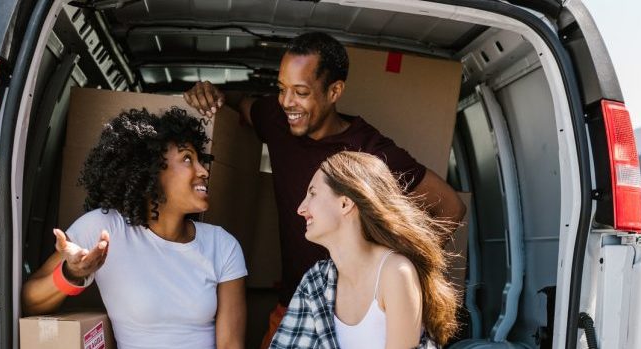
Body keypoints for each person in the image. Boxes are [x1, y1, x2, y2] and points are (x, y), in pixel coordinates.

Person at [183, 31, 466, 347]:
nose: (287, 102)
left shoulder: (369, 152)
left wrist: (388, 273)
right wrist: (209, 93)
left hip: (361, 304)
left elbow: (450, 207)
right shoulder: (276, 120)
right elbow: (239, 103)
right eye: (282, 89)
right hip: (294, 300)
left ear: (334, 91)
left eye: (301, 92)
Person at [21, 108, 247, 349]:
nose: (203, 171)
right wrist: (72, 273)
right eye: (187, 159)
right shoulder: (105, 229)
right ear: (151, 171)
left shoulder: (222, 245)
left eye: (201, 161)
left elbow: (231, 345)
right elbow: (29, 302)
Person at [270, 151, 459, 348]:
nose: (301, 208)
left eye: (313, 193)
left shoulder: (394, 272)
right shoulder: (316, 280)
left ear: (345, 203)